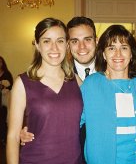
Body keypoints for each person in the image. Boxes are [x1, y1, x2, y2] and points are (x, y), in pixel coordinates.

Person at [20, 16, 97, 163]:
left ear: (96, 40)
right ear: (68, 44)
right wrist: (25, 128)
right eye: (75, 41)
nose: (82, 47)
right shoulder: (59, 71)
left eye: (87, 39)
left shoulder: (114, 71)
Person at [7, 18, 83, 164]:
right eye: (47, 41)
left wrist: (134, 77)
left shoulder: (76, 81)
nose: (54, 48)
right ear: (37, 45)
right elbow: (13, 137)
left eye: (60, 41)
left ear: (67, 45)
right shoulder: (22, 83)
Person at [81, 24, 136, 164]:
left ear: (132, 54)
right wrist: (31, 132)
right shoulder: (91, 85)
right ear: (103, 54)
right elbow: (69, 120)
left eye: (124, 48)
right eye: (111, 48)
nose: (118, 54)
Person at [0, 56, 13, 146]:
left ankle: (3, 139)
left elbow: (11, 85)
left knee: (3, 120)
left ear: (3, 63)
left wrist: (4, 86)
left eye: (0, 62)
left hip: (4, 100)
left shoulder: (7, 73)